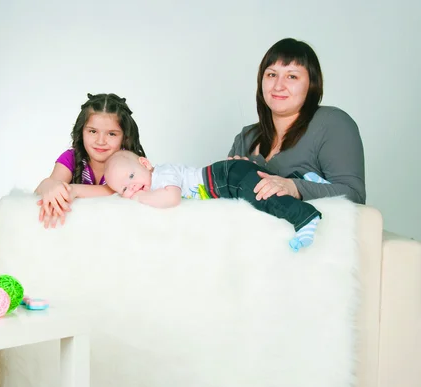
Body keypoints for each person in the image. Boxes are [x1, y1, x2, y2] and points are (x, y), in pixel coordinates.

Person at [227, 38, 366, 204]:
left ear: (312, 84)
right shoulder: (245, 138)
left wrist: (293, 188)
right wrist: (234, 179)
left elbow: (354, 195)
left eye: (292, 76)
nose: (278, 86)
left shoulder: (332, 124)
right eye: (272, 74)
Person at [104, 150, 322, 252]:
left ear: (145, 163)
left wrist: (140, 197)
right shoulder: (152, 179)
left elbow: (171, 198)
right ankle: (301, 179)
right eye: (124, 188)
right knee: (267, 182)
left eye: (131, 177)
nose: (131, 187)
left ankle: (304, 216)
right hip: (228, 178)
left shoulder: (162, 174)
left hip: (226, 178)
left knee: (261, 197)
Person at [34, 93, 146, 228]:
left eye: (111, 134)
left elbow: (118, 191)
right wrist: (49, 185)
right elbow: (50, 184)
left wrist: (75, 190)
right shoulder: (71, 157)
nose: (100, 141)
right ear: (81, 132)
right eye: (93, 131)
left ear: (125, 137)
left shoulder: (129, 162)